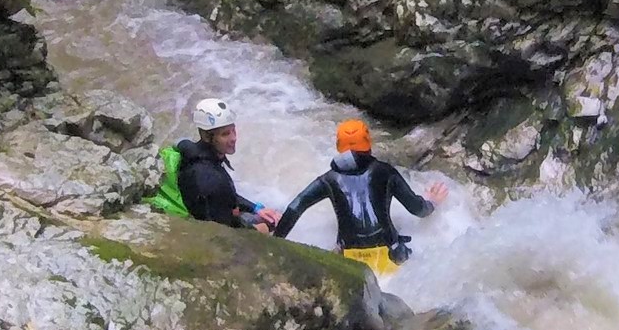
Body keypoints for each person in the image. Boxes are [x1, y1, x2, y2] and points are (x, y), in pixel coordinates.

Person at [269, 119, 446, 275]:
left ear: (339, 147)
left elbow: (296, 205)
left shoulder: (328, 179)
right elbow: (417, 209)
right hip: (391, 255)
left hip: (348, 261)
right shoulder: (385, 171)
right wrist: (431, 203)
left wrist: (273, 241)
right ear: (368, 143)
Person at [150, 98, 280, 232]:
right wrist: (266, 227)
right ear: (207, 137)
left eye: (233, 131)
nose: (233, 138)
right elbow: (226, 232)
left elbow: (224, 197)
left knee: (268, 213)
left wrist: (256, 208)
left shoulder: (194, 152)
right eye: (225, 134)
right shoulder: (209, 178)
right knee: (276, 219)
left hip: (216, 210)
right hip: (210, 227)